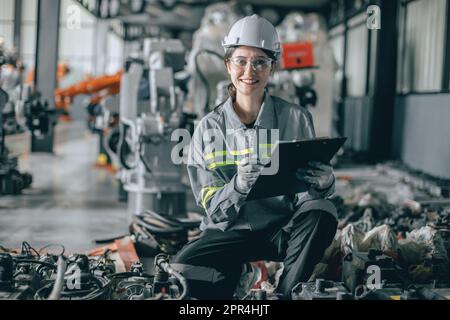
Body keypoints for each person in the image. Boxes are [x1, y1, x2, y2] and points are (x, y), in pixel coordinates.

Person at [173, 14, 338, 299]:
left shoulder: (296, 119)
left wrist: (323, 184)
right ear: (228, 65)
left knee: (323, 211)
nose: (250, 70)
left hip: (280, 230)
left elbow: (307, 197)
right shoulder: (208, 128)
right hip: (229, 230)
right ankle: (236, 275)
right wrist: (237, 186)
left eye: (260, 61)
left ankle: (285, 294)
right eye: (241, 60)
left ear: (272, 67)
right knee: (183, 270)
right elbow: (213, 209)